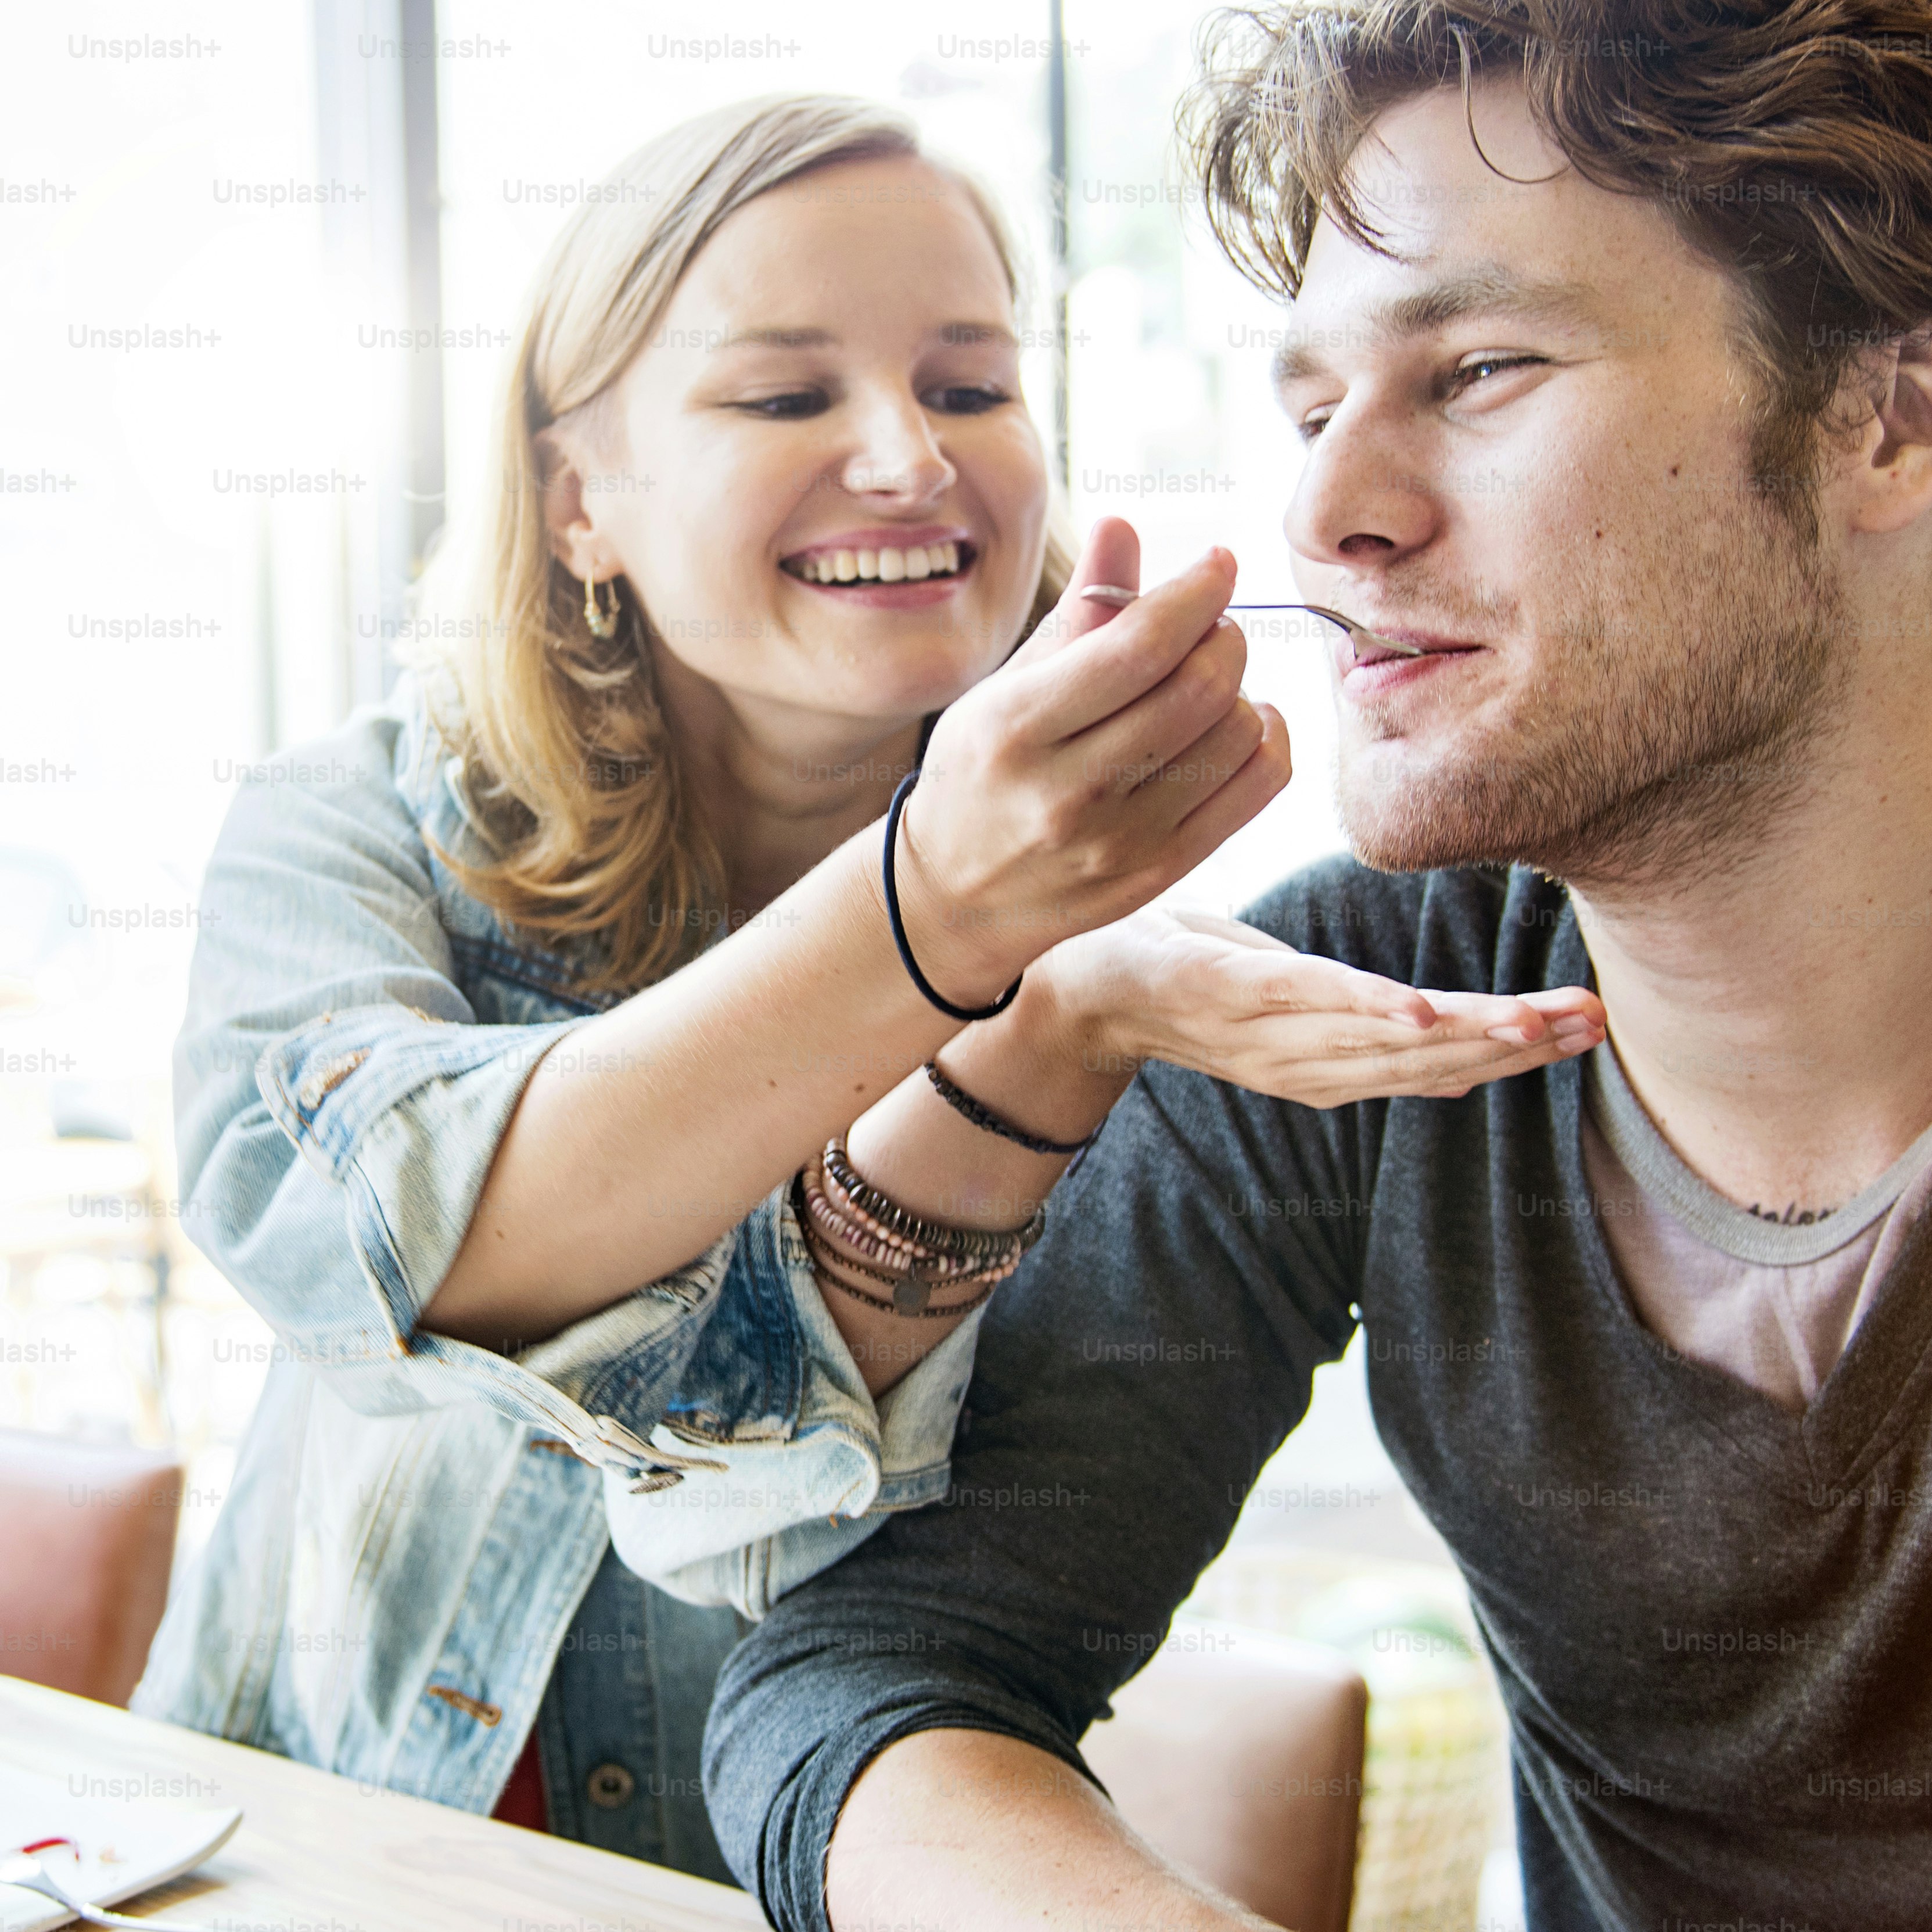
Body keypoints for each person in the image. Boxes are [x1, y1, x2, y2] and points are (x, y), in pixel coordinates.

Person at [132, 92, 1597, 1880]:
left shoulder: (1140, 981)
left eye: (973, 387)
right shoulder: (362, 825)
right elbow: (351, 1228)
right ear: (580, 501)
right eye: (784, 395)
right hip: (296, 1854)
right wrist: (932, 922)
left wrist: (1040, 1016)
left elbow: (883, 1579)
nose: (910, 458)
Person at [702, 9, 1932, 1930]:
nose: (1331, 515)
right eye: (1308, 413)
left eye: (1482, 369)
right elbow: (865, 1677)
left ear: (1890, 420)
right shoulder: (1363, 1004)